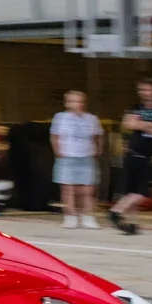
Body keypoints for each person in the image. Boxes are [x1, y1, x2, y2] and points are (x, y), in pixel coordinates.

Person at [107, 76, 152, 234]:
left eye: (150, 89)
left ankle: (117, 212)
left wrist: (141, 124)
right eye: (143, 89)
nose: (146, 93)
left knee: (142, 192)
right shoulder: (135, 107)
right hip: (133, 152)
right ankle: (129, 221)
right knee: (132, 190)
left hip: (150, 155)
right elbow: (128, 124)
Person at [50, 89, 104, 228]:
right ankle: (70, 216)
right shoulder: (60, 117)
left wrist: (98, 149)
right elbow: (54, 135)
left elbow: (98, 136)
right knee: (68, 188)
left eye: (79, 101)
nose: (77, 104)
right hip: (67, 156)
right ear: (67, 103)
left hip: (86, 157)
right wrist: (57, 150)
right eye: (73, 101)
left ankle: (88, 216)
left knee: (87, 190)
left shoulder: (92, 118)